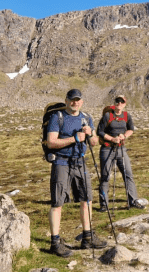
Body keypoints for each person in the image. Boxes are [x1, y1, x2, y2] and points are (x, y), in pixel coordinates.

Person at [46, 89, 107, 257]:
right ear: (66, 100)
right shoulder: (57, 117)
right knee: (57, 203)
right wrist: (75, 139)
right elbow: (51, 142)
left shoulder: (87, 118)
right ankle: (55, 242)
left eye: (78, 100)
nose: (75, 102)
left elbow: (94, 142)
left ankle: (87, 237)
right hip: (61, 162)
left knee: (86, 199)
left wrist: (89, 135)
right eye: (72, 100)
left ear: (82, 101)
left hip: (80, 162)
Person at [96, 95, 145, 211]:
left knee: (128, 174)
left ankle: (133, 201)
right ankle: (104, 205)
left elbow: (131, 129)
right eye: (117, 101)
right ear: (115, 103)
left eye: (122, 102)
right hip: (107, 149)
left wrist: (124, 136)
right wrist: (112, 139)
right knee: (105, 176)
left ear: (125, 104)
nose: (119, 103)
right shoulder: (108, 116)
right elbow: (100, 131)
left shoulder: (127, 116)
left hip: (121, 149)